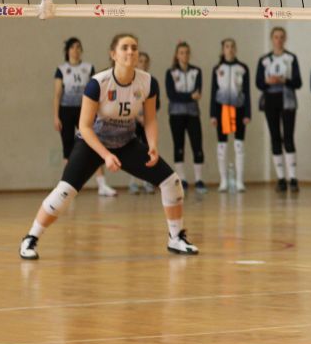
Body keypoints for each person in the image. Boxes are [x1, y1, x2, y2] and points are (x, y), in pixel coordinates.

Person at [20, 33, 199, 260]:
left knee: (171, 182)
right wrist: (105, 155)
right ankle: (31, 238)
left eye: (134, 47)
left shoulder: (148, 82)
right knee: (65, 192)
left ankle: (176, 238)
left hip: (126, 142)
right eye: (124, 47)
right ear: (113, 54)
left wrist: (152, 145)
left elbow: (150, 119)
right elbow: (84, 127)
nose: (130, 51)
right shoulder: (98, 83)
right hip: (93, 143)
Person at [54, 38, 115, 196]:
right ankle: (66, 188)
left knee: (93, 144)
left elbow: (96, 90)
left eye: (78, 47)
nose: (76, 50)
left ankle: (102, 185)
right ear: (67, 51)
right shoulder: (61, 69)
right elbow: (57, 94)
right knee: (68, 148)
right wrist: (56, 116)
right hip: (66, 111)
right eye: (72, 47)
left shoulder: (88, 68)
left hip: (85, 109)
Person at [258, 27, 302, 192]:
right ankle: (281, 178)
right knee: (275, 137)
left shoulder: (291, 58)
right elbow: (258, 82)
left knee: (288, 138)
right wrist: (268, 81)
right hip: (270, 101)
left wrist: (284, 80)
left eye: (282, 37)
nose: (279, 40)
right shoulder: (264, 60)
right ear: (272, 39)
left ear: (285, 39)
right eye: (276, 37)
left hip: (287, 100)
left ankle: (293, 178)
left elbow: (298, 82)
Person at [211, 38, 251, 192]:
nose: (230, 49)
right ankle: (224, 181)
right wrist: (213, 114)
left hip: (239, 109)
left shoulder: (243, 68)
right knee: (222, 145)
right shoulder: (217, 69)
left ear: (236, 49)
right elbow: (213, 92)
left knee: (239, 145)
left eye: (233, 46)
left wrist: (247, 113)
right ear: (223, 49)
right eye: (227, 46)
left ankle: (240, 181)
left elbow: (247, 92)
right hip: (222, 110)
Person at [165, 42, 206, 192]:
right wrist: (189, 96)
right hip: (176, 114)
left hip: (193, 113)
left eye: (187, 52)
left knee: (197, 146)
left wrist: (185, 96)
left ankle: (199, 180)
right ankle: (182, 179)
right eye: (181, 52)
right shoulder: (171, 73)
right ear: (177, 55)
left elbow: (198, 93)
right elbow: (172, 95)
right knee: (179, 146)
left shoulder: (196, 71)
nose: (185, 55)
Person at [129, 51, 159, 194]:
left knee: (148, 151)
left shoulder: (152, 82)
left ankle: (147, 181)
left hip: (147, 122)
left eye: (146, 61)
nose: (143, 64)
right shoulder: (130, 80)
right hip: (132, 122)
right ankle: (133, 182)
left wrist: (146, 118)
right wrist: (137, 117)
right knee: (133, 152)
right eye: (140, 61)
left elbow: (156, 104)